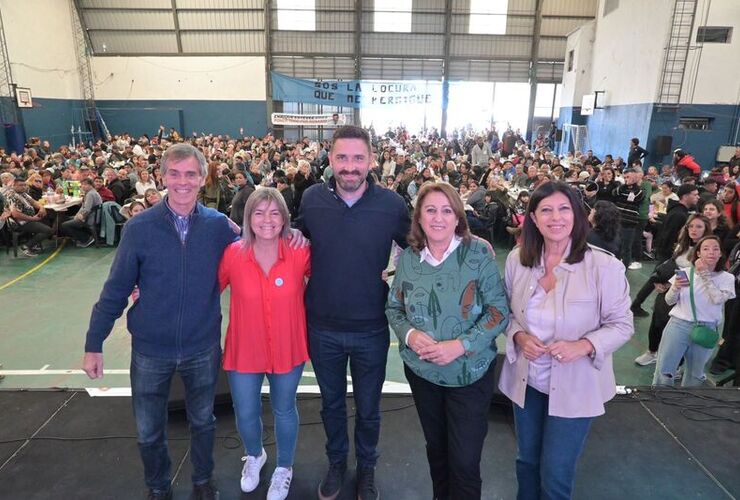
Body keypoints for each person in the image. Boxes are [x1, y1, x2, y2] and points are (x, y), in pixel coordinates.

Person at [82, 143, 244, 500]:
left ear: (202, 178)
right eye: (174, 173)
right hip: (150, 351)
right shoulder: (139, 228)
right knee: (148, 431)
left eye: (190, 174)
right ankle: (158, 487)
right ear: (162, 177)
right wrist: (94, 343)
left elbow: (256, 247)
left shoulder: (219, 227)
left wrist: (287, 235)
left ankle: (204, 482)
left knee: (203, 422)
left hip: (202, 348)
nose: (182, 182)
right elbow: (115, 290)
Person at [295, 125, 410, 500]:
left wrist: (470, 242)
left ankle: (367, 468)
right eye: (342, 158)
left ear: (371, 161)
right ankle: (336, 463)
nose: (349, 166)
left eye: (358, 158)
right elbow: (290, 235)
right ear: (330, 159)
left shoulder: (391, 205)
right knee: (330, 405)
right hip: (322, 328)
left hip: (371, 328)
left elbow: (424, 243)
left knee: (369, 408)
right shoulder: (312, 199)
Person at [498, 181, 633, 500]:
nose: (555, 217)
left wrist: (584, 346)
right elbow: (505, 312)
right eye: (546, 209)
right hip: (528, 382)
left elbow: (622, 325)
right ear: (533, 217)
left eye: (564, 209)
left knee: (556, 473)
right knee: (526, 462)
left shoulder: (604, 266)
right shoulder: (518, 260)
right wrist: (518, 334)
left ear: (578, 215)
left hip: (577, 385)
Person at [385, 183, 509, 499]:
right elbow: (395, 306)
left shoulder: (478, 253)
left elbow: (498, 311)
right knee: (437, 451)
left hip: (469, 376)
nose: (438, 218)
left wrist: (460, 345)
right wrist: (410, 336)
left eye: (446, 210)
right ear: (419, 218)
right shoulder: (410, 258)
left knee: (465, 462)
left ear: (457, 217)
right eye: (430, 210)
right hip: (424, 375)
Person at [218, 188, 311, 500]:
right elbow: (202, 291)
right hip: (245, 347)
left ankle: (285, 467)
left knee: (284, 409)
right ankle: (255, 455)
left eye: (274, 213)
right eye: (259, 213)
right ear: (248, 218)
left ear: (285, 218)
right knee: (245, 411)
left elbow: (334, 277)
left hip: (288, 346)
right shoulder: (233, 254)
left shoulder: (300, 251)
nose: (267, 220)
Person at [653, 235, 735, 386]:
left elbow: (717, 299)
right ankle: (659, 402)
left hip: (706, 329)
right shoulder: (685, 272)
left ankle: (688, 403)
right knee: (665, 369)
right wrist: (676, 287)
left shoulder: (727, 278)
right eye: (706, 248)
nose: (711, 252)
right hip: (678, 325)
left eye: (715, 249)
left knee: (695, 374)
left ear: (721, 254)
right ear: (698, 253)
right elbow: (669, 300)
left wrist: (704, 274)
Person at [634, 215, 712, 365]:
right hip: (669, 291)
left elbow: (701, 275)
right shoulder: (682, 245)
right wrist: (659, 282)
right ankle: (652, 352)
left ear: (706, 229)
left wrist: (672, 284)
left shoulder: (707, 249)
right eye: (691, 226)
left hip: (688, 296)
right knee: (657, 322)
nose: (694, 230)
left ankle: (678, 363)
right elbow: (670, 265)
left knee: (678, 332)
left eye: (699, 227)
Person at [60, 177, 102, 248]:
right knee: (65, 219)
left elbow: (87, 210)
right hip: (92, 216)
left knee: (64, 225)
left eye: (85, 185)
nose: (83, 186)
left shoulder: (90, 194)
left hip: (89, 218)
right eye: (82, 184)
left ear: (91, 185)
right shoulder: (91, 192)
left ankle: (86, 239)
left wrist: (79, 216)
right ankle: (81, 237)